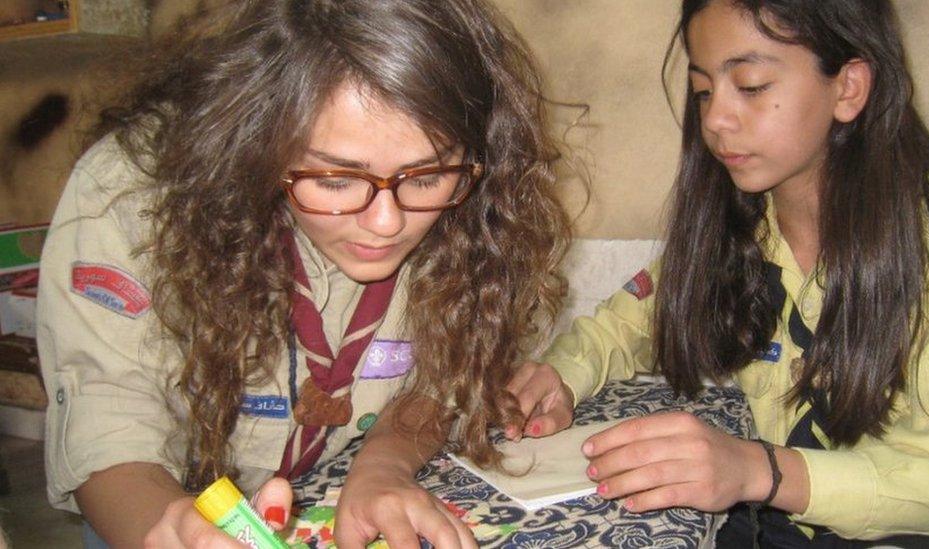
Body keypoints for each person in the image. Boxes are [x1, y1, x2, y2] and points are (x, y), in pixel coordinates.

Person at [36, 0, 570, 547]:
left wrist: (383, 465)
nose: (387, 223)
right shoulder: (130, 188)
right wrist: (168, 526)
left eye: (427, 175)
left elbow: (443, 368)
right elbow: (107, 413)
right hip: (153, 503)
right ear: (257, 141)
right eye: (337, 179)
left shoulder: (475, 206)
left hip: (325, 485)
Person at [505, 0, 929, 546]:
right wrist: (559, 376)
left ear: (848, 88)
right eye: (704, 91)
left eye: (750, 85)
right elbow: (627, 324)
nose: (715, 119)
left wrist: (760, 471)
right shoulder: (739, 234)